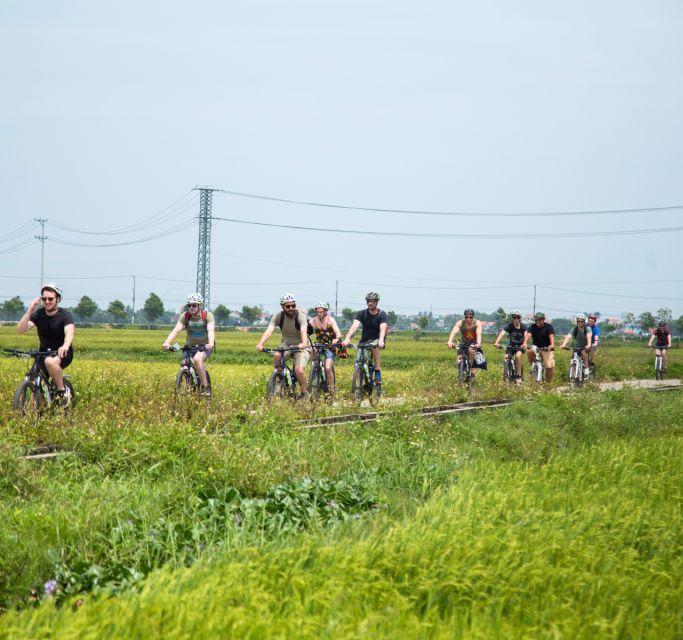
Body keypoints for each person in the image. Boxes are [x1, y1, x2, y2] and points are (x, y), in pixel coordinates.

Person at [16, 282, 75, 405]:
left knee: (50, 361)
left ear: (57, 299)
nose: (47, 301)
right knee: (32, 377)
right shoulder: (39, 314)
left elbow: (69, 332)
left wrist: (65, 346)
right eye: (44, 299)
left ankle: (61, 391)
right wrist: (30, 309)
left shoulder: (65, 315)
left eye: (50, 299)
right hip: (42, 353)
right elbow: (21, 330)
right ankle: (40, 405)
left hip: (62, 353)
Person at [256, 293, 310, 395]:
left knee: (299, 370)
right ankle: (279, 382)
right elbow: (269, 331)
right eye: (288, 306)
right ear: (282, 306)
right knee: (277, 355)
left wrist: (303, 343)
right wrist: (260, 344)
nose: (291, 308)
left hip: (301, 346)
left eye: (293, 305)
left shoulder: (300, 316)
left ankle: (305, 393)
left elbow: (303, 330)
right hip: (286, 344)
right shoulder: (278, 316)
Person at [163, 293, 215, 395]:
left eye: (194, 305)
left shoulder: (207, 316)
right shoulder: (185, 316)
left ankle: (205, 388)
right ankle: (188, 388)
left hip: (204, 347)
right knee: (184, 366)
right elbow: (176, 330)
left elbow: (211, 330)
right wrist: (167, 343)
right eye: (189, 305)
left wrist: (211, 343)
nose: (191, 307)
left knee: (197, 359)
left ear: (200, 305)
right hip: (189, 347)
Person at [342, 292, 388, 387]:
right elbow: (354, 326)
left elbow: (383, 328)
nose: (370, 303)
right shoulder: (362, 313)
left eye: (372, 301)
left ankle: (377, 370)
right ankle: (359, 388)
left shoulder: (381, 314)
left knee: (375, 347)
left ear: (377, 302)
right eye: (368, 301)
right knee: (358, 364)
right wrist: (347, 338)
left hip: (376, 339)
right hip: (364, 341)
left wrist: (381, 340)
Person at [309, 301, 342, 393]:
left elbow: (338, 332)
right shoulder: (313, 321)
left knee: (328, 368)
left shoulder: (330, 320)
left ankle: (331, 389)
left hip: (330, 345)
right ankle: (315, 368)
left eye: (321, 312)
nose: (319, 313)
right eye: (317, 312)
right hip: (319, 344)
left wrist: (337, 338)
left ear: (325, 312)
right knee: (312, 349)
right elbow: (306, 331)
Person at [447, 308, 483, 377]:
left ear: (473, 317)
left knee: (471, 350)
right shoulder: (460, 323)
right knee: (458, 359)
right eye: (466, 317)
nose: (468, 319)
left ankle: (472, 369)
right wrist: (450, 342)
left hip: (474, 343)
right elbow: (453, 332)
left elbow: (479, 334)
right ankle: (460, 374)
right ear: (464, 317)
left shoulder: (477, 323)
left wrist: (478, 343)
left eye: (470, 317)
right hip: (464, 343)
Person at [493, 309, 527, 382]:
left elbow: (526, 336)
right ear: (512, 318)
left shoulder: (523, 326)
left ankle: (519, 376)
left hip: (520, 347)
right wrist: (496, 342)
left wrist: (525, 344)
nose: (516, 319)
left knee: (518, 356)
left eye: (518, 317)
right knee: (506, 357)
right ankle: (507, 373)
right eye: (514, 317)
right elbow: (502, 334)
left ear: (520, 318)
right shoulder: (509, 326)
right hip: (511, 346)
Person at [522, 312, 555, 383]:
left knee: (549, 367)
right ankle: (534, 367)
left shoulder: (549, 327)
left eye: (539, 320)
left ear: (543, 320)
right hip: (536, 348)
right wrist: (525, 343)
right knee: (530, 351)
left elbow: (551, 336)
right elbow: (528, 335)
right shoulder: (532, 327)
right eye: (536, 320)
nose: (537, 321)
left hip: (546, 349)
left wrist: (551, 345)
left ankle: (548, 384)